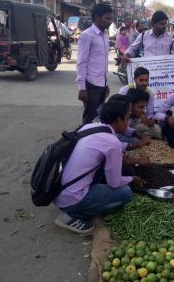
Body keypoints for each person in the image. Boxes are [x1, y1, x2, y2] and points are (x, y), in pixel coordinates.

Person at [53, 100, 145, 234]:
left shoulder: (89, 127)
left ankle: (78, 204)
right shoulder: (112, 142)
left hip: (58, 189)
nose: (128, 122)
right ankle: (72, 216)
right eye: (127, 118)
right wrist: (131, 179)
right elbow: (114, 183)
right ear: (118, 120)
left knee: (105, 169)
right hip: (72, 198)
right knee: (126, 193)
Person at [76, 4, 113, 124]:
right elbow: (81, 62)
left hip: (102, 84)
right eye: (107, 18)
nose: (110, 22)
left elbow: (103, 62)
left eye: (111, 18)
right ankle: (81, 141)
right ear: (97, 17)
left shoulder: (105, 35)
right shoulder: (87, 35)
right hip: (91, 85)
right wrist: (82, 88)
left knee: (99, 118)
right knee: (89, 119)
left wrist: (106, 83)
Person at [118, 67, 162, 138]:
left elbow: (150, 113)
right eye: (141, 80)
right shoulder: (125, 90)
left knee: (156, 130)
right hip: (123, 120)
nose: (144, 83)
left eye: (146, 80)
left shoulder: (149, 93)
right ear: (135, 80)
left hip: (137, 121)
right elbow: (118, 109)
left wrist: (150, 120)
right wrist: (137, 114)